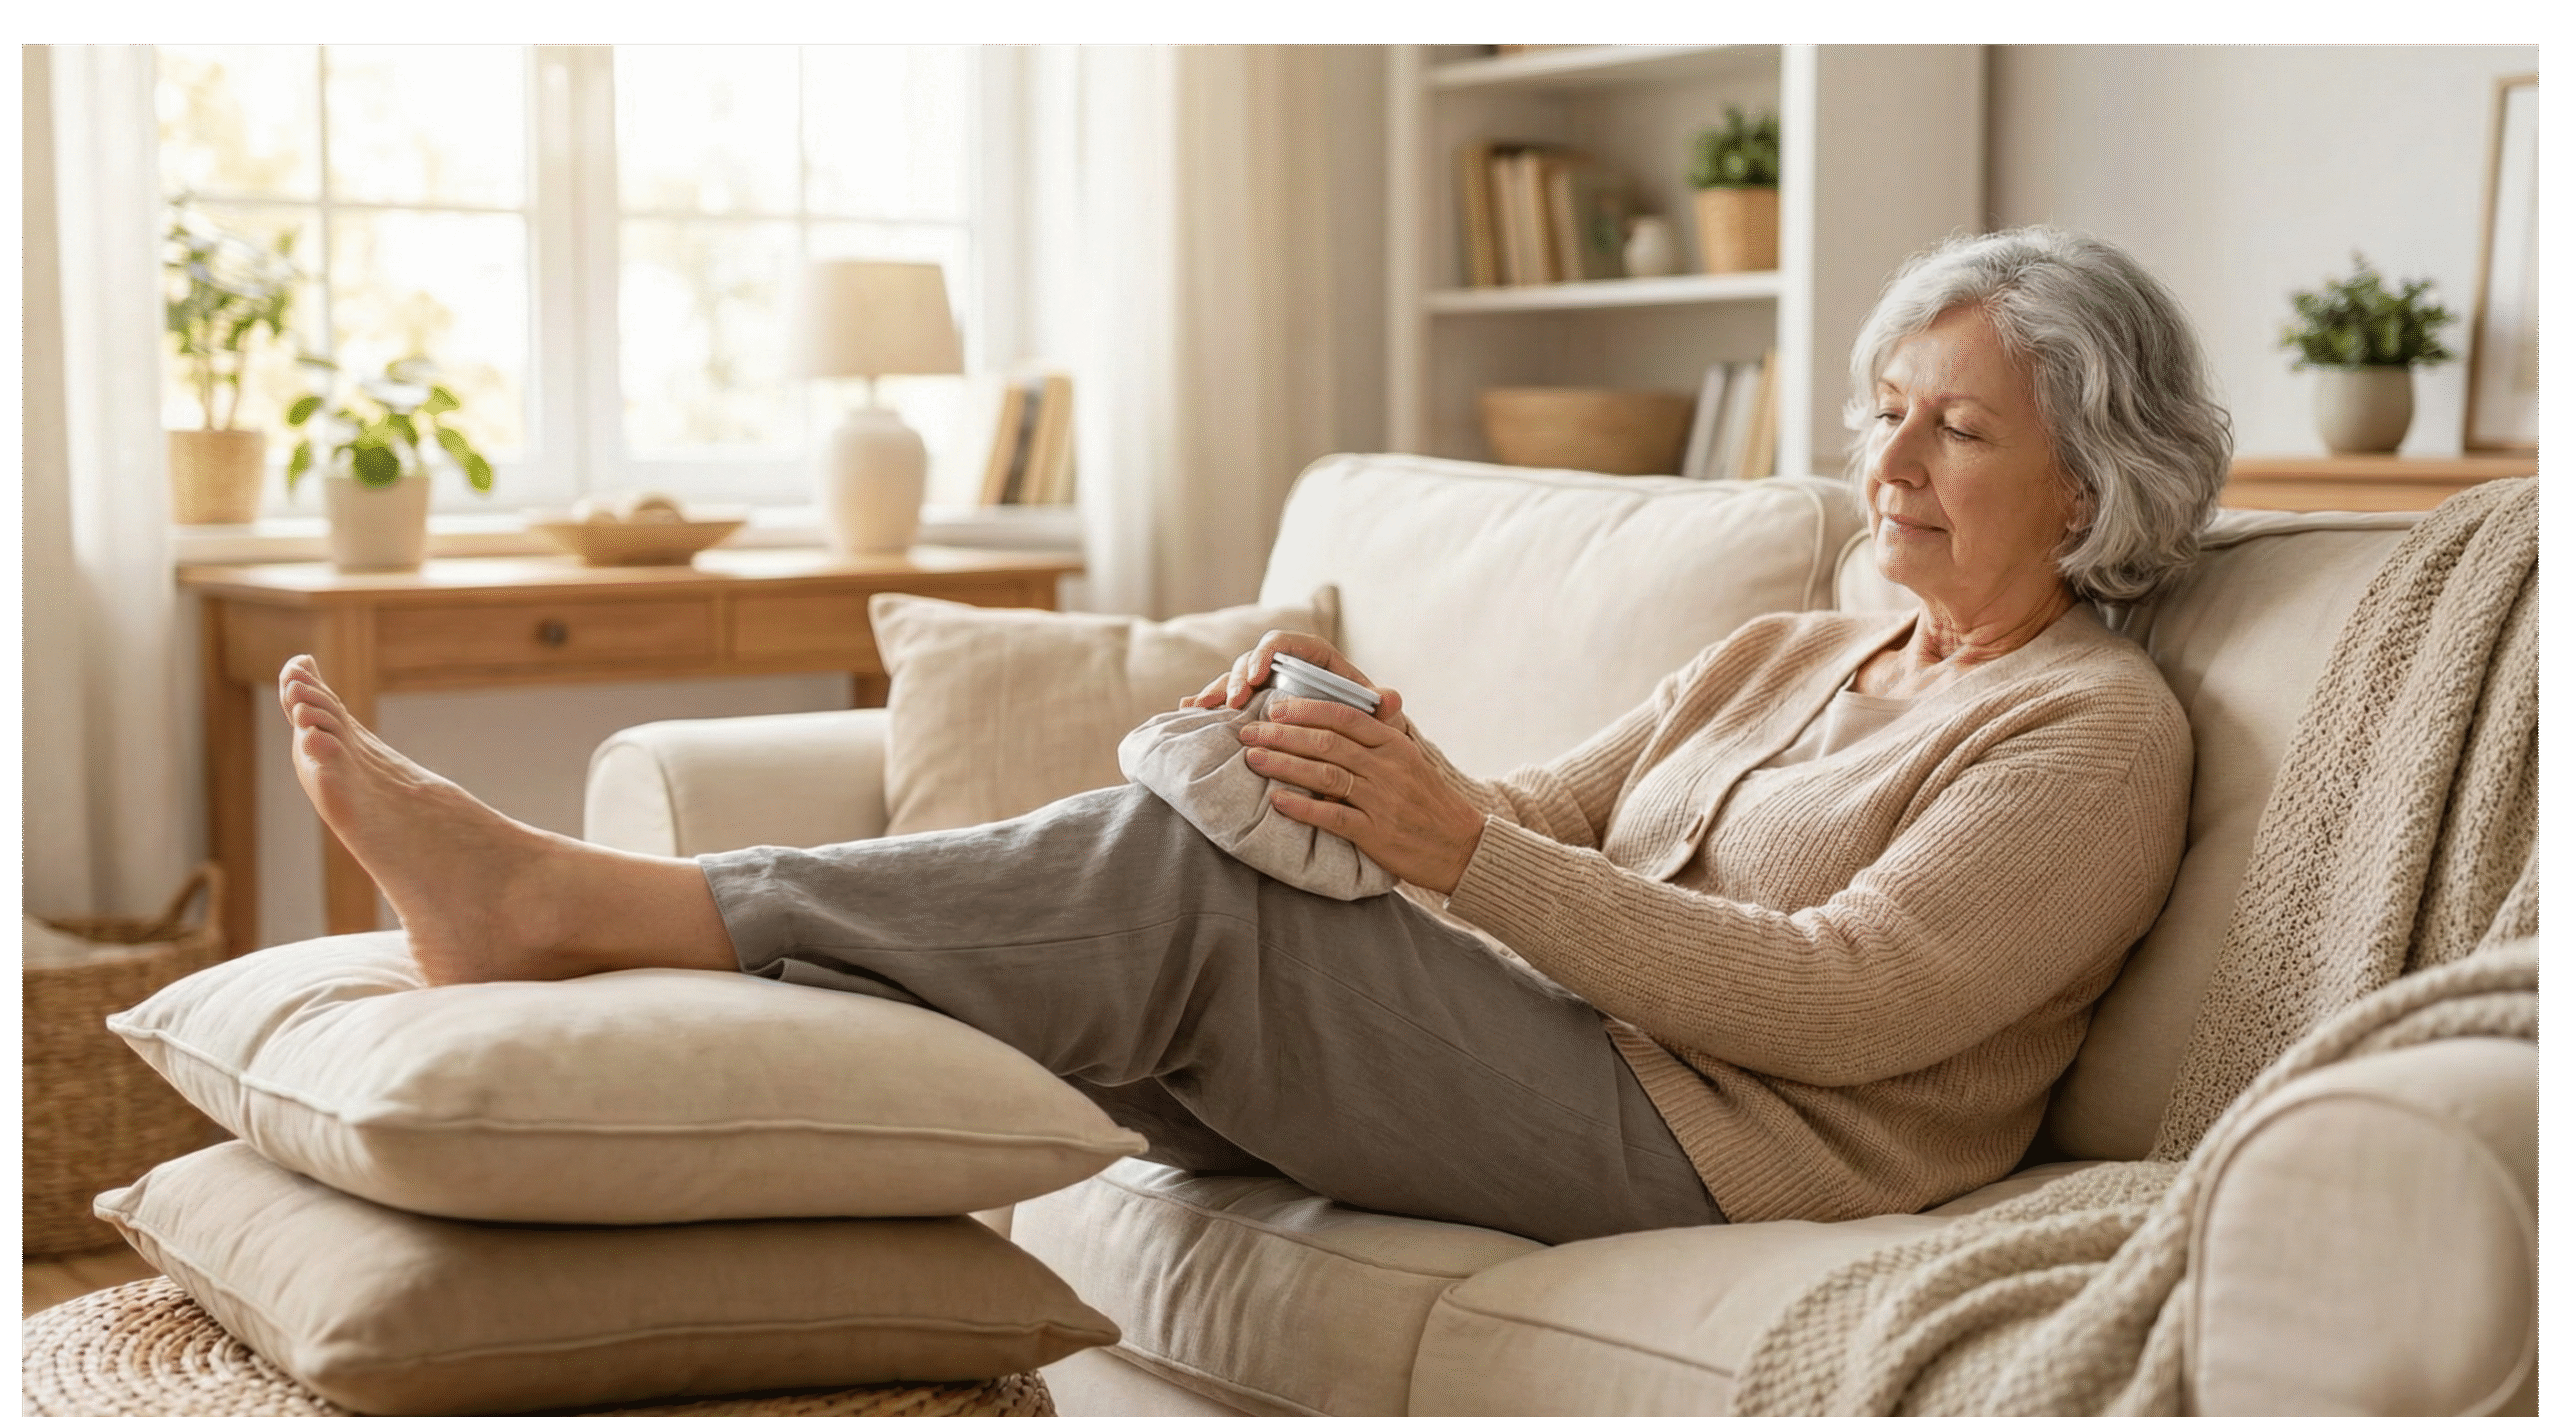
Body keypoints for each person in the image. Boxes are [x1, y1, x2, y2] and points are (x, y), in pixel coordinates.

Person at [274, 227, 2226, 1245]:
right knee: (1182, 859)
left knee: (1172, 895)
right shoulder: (1800, 646)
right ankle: (618, 1063)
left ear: (2091, 481)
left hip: (1717, 1152)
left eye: (1951, 428)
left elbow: (1841, 1005)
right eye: (1880, 408)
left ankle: (564, 900)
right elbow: (1537, 806)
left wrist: (1447, 849)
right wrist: (1354, 752)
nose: (1882, 459)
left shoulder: (2089, 733)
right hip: (1552, 1055)